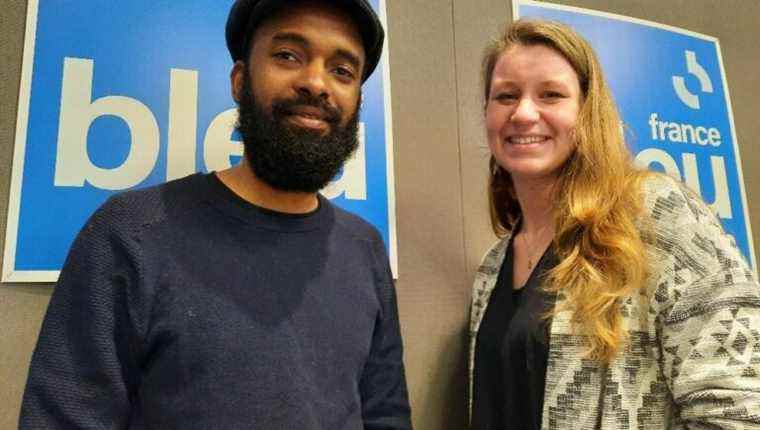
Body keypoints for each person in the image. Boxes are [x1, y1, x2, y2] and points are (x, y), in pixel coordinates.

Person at [20, 1, 412, 428]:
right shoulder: (131, 234)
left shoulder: (366, 249)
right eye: (288, 56)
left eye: (342, 70)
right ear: (240, 82)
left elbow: (385, 415)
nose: (317, 83)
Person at [469, 19, 760, 429]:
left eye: (550, 94)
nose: (524, 112)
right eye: (506, 96)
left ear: (588, 112)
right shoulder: (490, 268)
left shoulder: (656, 214)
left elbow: (740, 409)